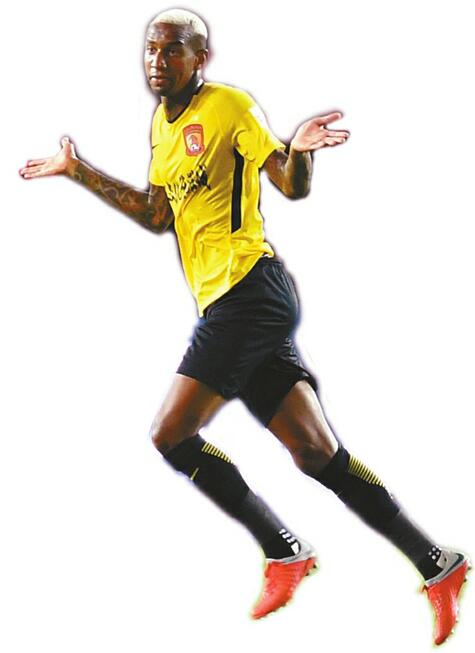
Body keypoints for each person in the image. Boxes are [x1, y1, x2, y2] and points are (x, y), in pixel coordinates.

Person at [19, 8, 469, 645]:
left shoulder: (230, 106)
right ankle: (437, 564)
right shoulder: (161, 127)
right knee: (317, 454)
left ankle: (283, 551)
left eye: (173, 50)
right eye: (151, 50)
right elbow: (156, 214)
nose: (157, 61)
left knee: (170, 434)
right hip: (231, 305)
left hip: (248, 293)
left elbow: (288, 181)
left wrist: (300, 153)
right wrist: (78, 170)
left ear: (200, 58)